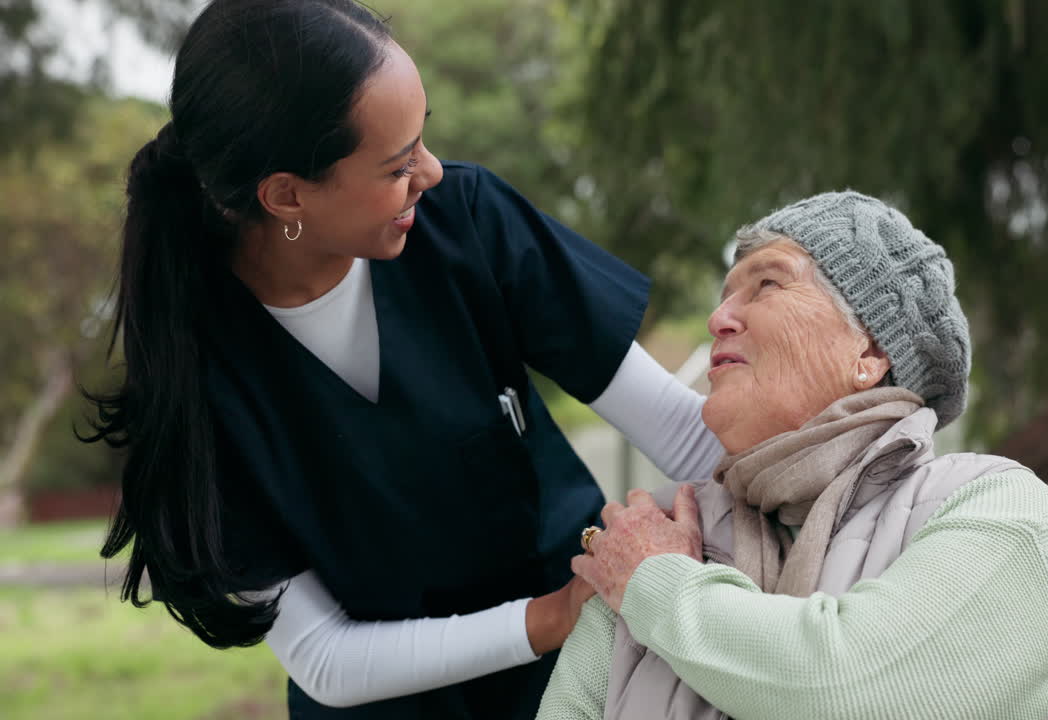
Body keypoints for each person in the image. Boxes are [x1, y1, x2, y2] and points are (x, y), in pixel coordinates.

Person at [81, 1, 723, 717]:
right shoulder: (191, 374)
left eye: (423, 139)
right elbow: (324, 656)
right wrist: (550, 617)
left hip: (587, 680)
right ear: (286, 194)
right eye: (397, 164)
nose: (433, 172)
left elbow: (687, 433)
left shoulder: (468, 224)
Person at [537, 191, 1048, 719]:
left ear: (869, 351)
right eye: (724, 295)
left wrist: (659, 586)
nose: (719, 317)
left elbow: (851, 689)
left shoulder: (998, 509)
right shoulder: (659, 530)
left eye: (767, 283)